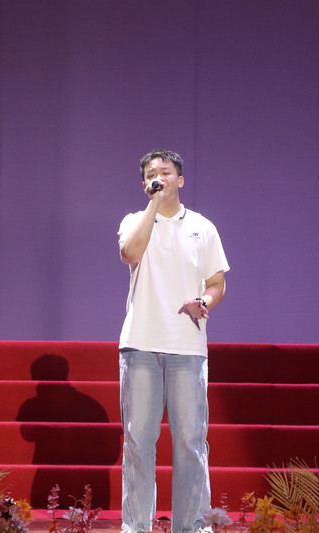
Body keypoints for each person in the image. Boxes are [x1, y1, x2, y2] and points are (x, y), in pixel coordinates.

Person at [117, 149, 230, 533]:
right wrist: (153, 205)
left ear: (180, 180)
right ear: (145, 184)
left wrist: (205, 301)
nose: (159, 177)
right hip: (141, 344)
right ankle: (136, 527)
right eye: (152, 173)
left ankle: (192, 527)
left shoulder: (203, 227)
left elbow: (217, 282)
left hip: (187, 347)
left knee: (190, 441)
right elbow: (129, 252)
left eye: (166, 172)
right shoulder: (134, 220)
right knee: (138, 441)